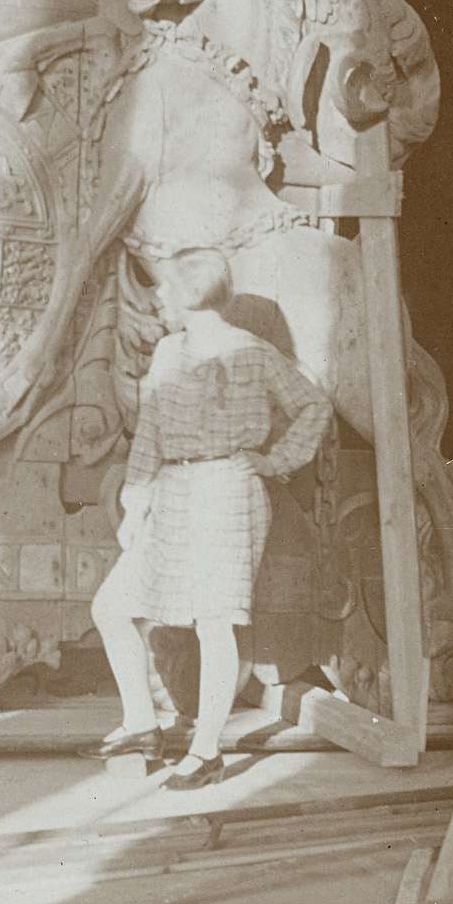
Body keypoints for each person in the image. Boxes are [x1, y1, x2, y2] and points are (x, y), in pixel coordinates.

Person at [89, 246, 333, 791]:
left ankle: (206, 752)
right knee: (111, 607)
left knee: (214, 622)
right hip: (173, 492)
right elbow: (150, 433)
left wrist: (275, 461)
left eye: (166, 286)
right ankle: (141, 725)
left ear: (192, 293)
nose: (159, 295)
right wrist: (136, 503)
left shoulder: (254, 353)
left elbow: (313, 405)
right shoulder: (167, 352)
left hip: (228, 493)